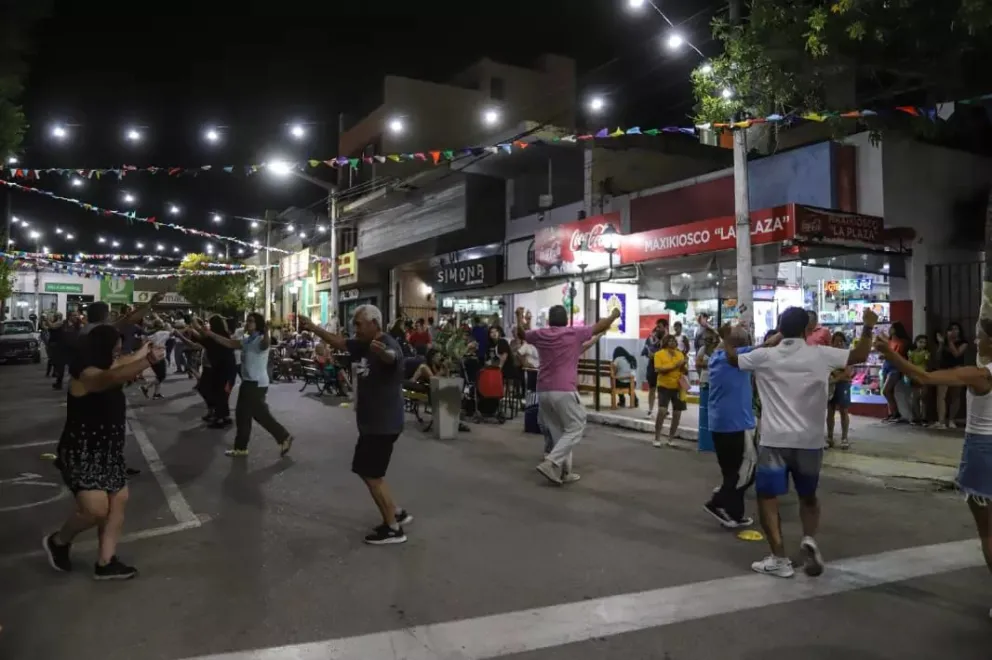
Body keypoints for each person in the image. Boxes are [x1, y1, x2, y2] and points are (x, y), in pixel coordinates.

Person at [721, 306, 877, 579]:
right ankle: (808, 539)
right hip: (811, 441)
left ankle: (779, 558)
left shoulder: (765, 355)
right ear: (809, 330)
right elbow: (861, 355)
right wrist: (867, 327)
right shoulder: (821, 354)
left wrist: (728, 339)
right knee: (808, 497)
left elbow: (733, 360)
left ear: (780, 328)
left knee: (767, 497)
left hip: (774, 441)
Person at [874, 322, 992, 618]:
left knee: (989, 533)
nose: (976, 342)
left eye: (980, 338)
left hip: (983, 450)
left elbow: (924, 376)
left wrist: (890, 353)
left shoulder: (980, 375)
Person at [43, 326, 166, 580]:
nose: (118, 353)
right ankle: (59, 541)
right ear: (100, 349)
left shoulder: (106, 364)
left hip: (109, 451)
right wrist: (148, 360)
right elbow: (109, 378)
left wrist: (144, 349)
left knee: (117, 502)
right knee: (95, 511)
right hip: (82, 452)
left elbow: (120, 364)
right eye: (114, 349)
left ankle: (105, 562)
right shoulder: (85, 375)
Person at [300, 307, 413, 545]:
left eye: (360, 324)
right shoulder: (364, 343)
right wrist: (313, 327)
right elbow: (340, 343)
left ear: (374, 323)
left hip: (383, 424)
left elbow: (392, 357)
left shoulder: (387, 343)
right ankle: (396, 512)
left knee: (372, 475)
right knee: (370, 472)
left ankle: (393, 528)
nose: (356, 328)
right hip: (373, 423)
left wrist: (383, 354)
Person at [517, 305, 621, 485]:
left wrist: (519, 317)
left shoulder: (541, 334)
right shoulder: (573, 334)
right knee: (576, 426)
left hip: (543, 390)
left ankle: (566, 472)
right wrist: (613, 316)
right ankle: (550, 463)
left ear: (549, 320)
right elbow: (599, 325)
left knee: (559, 431)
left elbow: (522, 334)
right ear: (566, 320)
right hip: (564, 390)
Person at [704, 325, 774, 528]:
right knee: (746, 474)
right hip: (738, 424)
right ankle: (717, 503)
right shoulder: (738, 358)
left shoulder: (715, 359)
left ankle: (735, 513)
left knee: (731, 472)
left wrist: (723, 335)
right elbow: (767, 345)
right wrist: (786, 331)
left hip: (719, 424)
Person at [196, 313, 293, 457]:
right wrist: (210, 334)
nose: (248, 323)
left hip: (256, 383)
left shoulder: (260, 340)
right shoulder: (247, 340)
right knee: (244, 415)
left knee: (257, 414)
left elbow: (266, 344)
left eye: (251, 321)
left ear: (258, 325)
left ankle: (283, 436)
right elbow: (228, 343)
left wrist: (266, 332)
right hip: (248, 382)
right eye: (247, 321)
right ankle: (242, 448)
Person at [190, 316, 238, 428]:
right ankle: (224, 416)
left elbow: (201, 337)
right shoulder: (223, 335)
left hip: (223, 368)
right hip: (226, 367)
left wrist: (194, 324)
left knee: (219, 393)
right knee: (220, 393)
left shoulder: (215, 337)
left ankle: (219, 418)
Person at [653, 334, 687, 448]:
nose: (672, 342)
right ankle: (657, 437)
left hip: (678, 386)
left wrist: (683, 365)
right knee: (662, 410)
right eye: (670, 340)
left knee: (677, 413)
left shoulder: (679, 354)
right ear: (665, 342)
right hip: (664, 385)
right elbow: (658, 369)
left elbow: (683, 370)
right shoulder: (659, 354)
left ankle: (671, 438)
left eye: (674, 340)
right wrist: (674, 365)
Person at [935, 322, 970, 429]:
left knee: (955, 396)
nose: (954, 331)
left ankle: (951, 420)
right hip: (943, 370)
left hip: (957, 369)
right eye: (951, 329)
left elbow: (956, 354)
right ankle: (941, 421)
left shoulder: (963, 342)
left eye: (956, 329)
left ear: (960, 331)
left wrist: (950, 341)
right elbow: (937, 356)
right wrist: (941, 343)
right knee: (941, 396)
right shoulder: (944, 342)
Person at [826, 332, 854, 450]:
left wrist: (835, 378)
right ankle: (830, 437)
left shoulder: (848, 355)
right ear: (832, 343)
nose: (838, 343)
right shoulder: (829, 355)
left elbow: (847, 372)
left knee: (843, 411)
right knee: (830, 411)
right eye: (836, 341)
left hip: (843, 385)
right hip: (831, 385)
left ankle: (844, 438)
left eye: (841, 341)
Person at [881, 321, 911, 423]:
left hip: (895, 368)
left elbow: (897, 354)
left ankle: (896, 414)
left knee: (886, 391)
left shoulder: (902, 342)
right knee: (889, 391)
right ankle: (892, 413)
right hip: (887, 367)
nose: (890, 329)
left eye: (892, 328)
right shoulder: (890, 341)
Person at [139, 318, 172, 400]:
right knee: (162, 376)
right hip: (159, 356)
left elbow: (143, 341)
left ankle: (156, 393)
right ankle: (146, 387)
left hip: (151, 356)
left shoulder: (150, 334)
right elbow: (173, 332)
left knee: (158, 375)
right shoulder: (163, 333)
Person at [641, 324, 664, 418]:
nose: (657, 331)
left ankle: (664, 410)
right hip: (652, 368)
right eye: (656, 329)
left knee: (662, 391)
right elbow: (646, 353)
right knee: (652, 389)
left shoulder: (664, 341)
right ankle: (650, 410)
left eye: (660, 328)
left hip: (663, 369)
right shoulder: (649, 341)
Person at [907, 334, 931, 425]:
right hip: (914, 375)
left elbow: (927, 363)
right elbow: (909, 364)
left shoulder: (926, 353)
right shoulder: (911, 353)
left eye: (924, 342)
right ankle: (916, 417)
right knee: (915, 397)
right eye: (920, 342)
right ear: (916, 342)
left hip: (924, 374)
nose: (922, 344)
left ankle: (924, 417)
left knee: (924, 397)